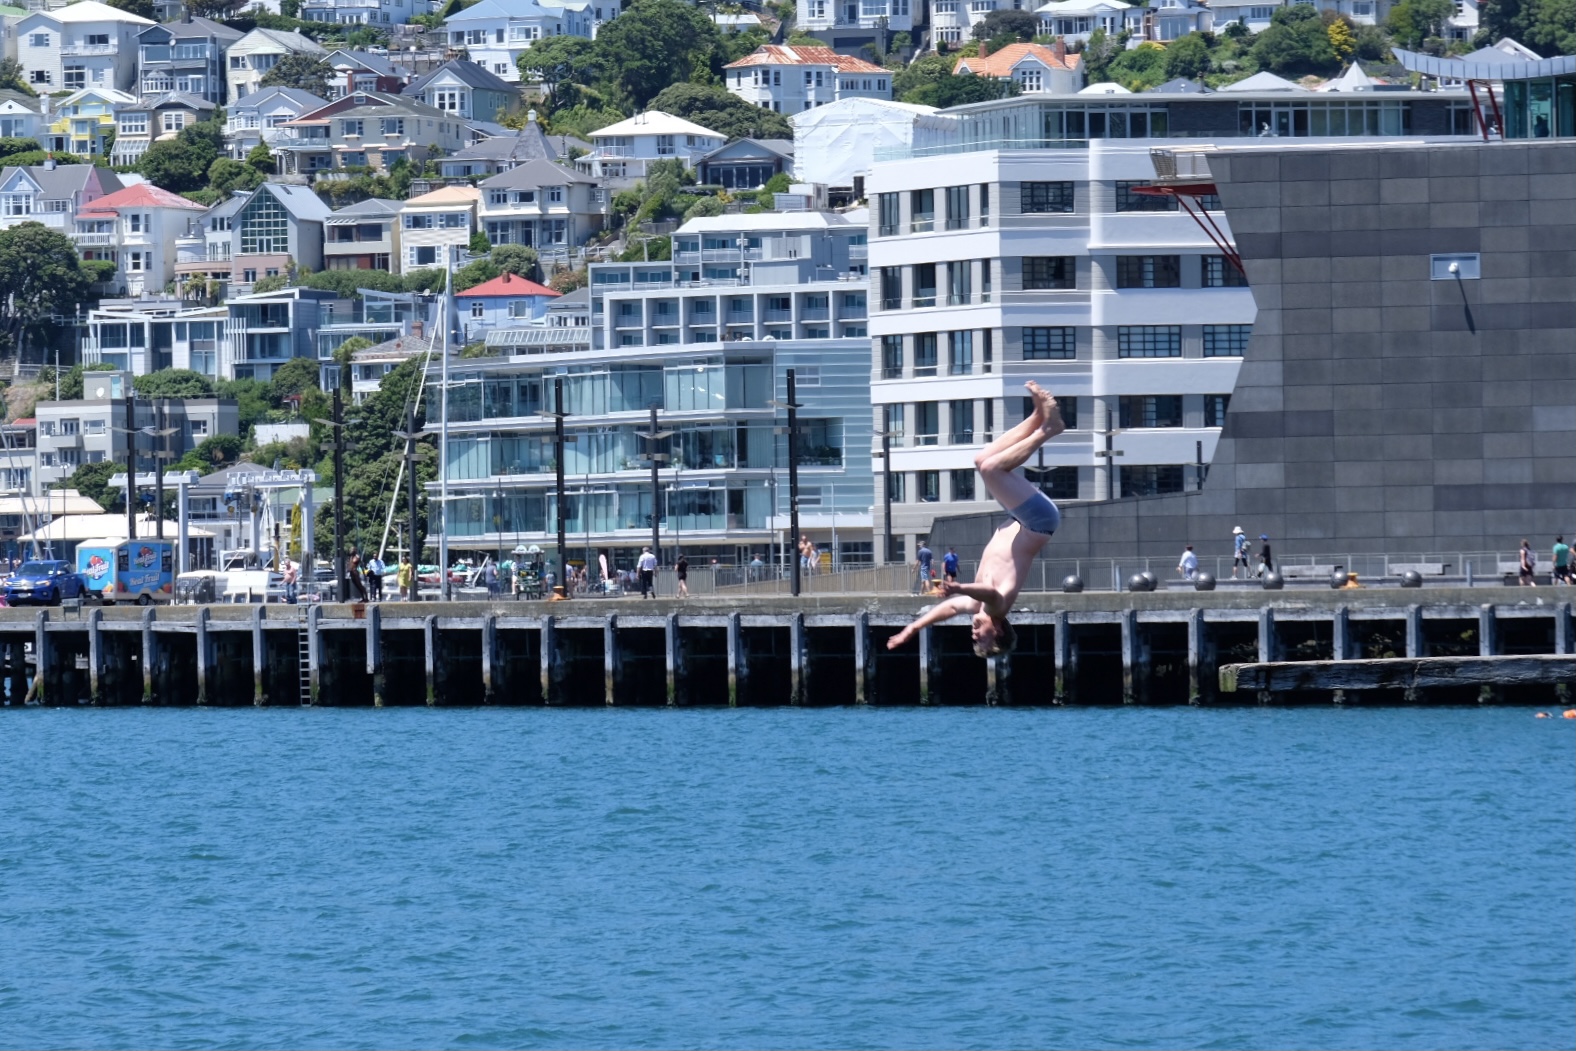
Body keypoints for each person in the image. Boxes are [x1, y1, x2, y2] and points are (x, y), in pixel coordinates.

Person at [888, 381, 1065, 659]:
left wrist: (912, 628)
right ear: (998, 631)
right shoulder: (998, 608)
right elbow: (990, 592)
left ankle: (1037, 418)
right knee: (992, 469)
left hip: (1023, 520)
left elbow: (947, 610)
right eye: (981, 641)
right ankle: (1049, 429)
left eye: (975, 642)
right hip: (1037, 521)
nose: (973, 636)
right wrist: (959, 587)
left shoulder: (975, 607)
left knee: (983, 460)